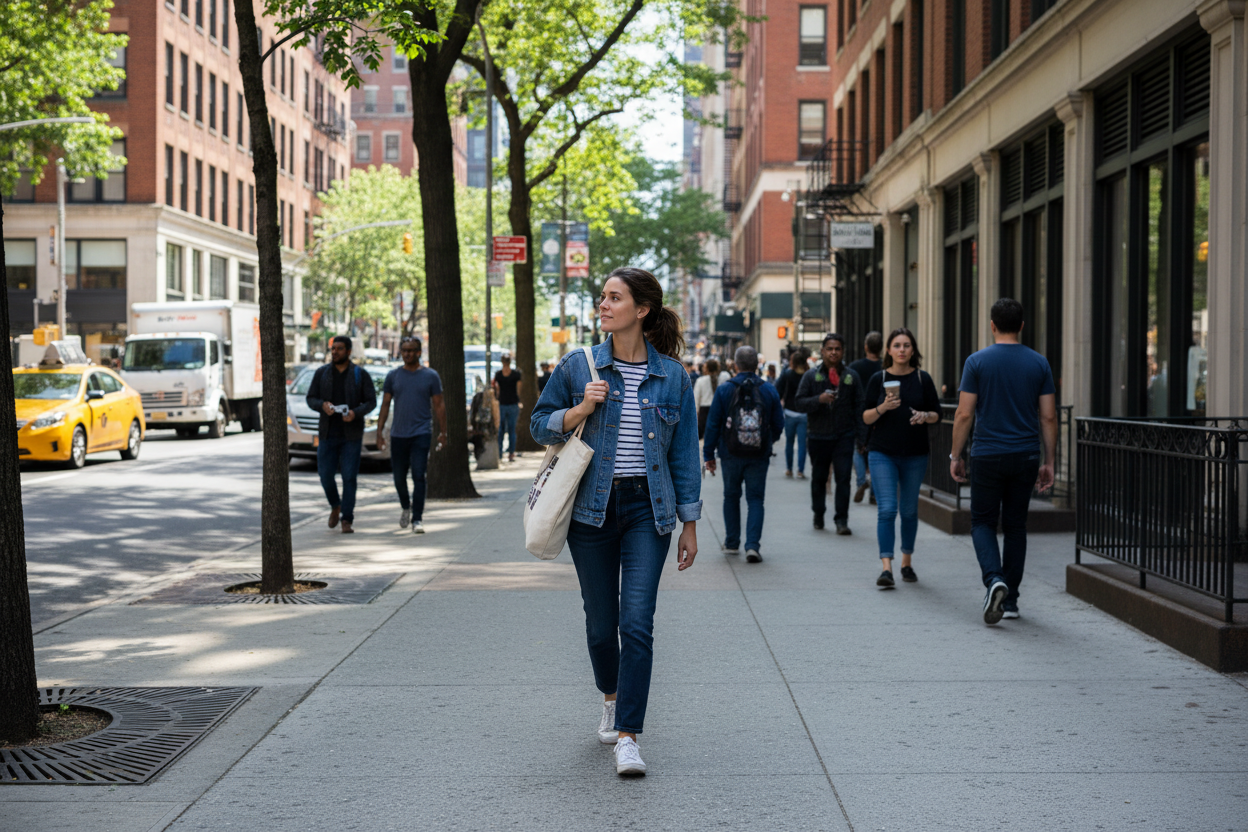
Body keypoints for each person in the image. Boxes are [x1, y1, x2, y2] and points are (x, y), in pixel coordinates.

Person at [530, 266, 701, 777]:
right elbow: (539, 425)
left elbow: (685, 456)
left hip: (650, 510)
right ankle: (611, 695)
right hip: (591, 511)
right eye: (601, 297)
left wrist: (689, 523)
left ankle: (629, 734)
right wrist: (580, 407)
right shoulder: (578, 366)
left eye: (614, 297)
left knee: (637, 624)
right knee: (603, 628)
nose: (602, 305)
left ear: (641, 310)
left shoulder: (672, 376)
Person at [951, 298, 1058, 624]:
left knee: (982, 522)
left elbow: (965, 413)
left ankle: (993, 579)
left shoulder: (976, 362)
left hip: (987, 454)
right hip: (1025, 455)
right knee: (1015, 525)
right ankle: (1009, 600)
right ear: (1022, 326)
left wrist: (956, 455)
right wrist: (1049, 460)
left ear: (992, 325)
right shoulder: (1039, 363)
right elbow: (1049, 417)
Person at [862, 328, 941, 588]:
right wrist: (883, 407)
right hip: (882, 452)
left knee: (908, 511)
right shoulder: (878, 378)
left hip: (915, 454)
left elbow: (936, 414)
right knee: (887, 509)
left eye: (907, 345)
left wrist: (924, 416)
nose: (902, 350)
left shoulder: (922, 378)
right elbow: (865, 417)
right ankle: (887, 567)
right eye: (897, 345)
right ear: (888, 350)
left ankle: (906, 562)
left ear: (913, 350)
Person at [703, 345, 784, 563]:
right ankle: (752, 546)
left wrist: (709, 454)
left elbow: (713, 424)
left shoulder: (724, 389)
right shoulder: (768, 390)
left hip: (730, 452)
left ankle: (731, 543)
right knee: (756, 499)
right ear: (757, 365)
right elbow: (778, 423)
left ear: (735, 365)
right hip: (759, 454)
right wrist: (767, 441)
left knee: (731, 496)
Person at [305, 335, 377, 534]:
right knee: (325, 475)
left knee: (349, 477)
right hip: (327, 433)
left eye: (339, 349)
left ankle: (347, 518)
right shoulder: (322, 373)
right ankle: (335, 505)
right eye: (332, 349)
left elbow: (371, 401)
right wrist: (322, 406)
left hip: (351, 435)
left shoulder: (359, 374)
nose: (334, 352)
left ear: (348, 351)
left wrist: (355, 413)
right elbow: (310, 398)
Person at [795, 334, 866, 534]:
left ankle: (841, 520)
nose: (833, 352)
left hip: (844, 435)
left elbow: (860, 406)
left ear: (842, 352)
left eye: (837, 349)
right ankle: (818, 513)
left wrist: (862, 437)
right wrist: (819, 399)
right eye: (830, 348)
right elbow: (799, 402)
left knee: (843, 478)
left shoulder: (851, 376)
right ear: (823, 351)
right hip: (818, 436)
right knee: (819, 477)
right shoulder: (811, 376)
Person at [376, 337, 446, 535]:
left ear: (419, 352)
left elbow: (439, 405)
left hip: (421, 433)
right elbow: (385, 404)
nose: (407, 353)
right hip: (398, 434)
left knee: (418, 475)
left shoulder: (431, 376)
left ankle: (417, 518)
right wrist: (380, 432)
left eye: (411, 350)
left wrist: (443, 432)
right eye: (404, 350)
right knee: (398, 477)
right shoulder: (393, 376)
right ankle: (406, 506)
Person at [848, 331, 884, 504]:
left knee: (858, 449)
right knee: (875, 451)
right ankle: (875, 494)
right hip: (880, 412)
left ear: (866, 347)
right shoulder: (885, 367)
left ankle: (862, 481)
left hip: (860, 412)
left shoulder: (855, 367)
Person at [776, 351, 809, 479]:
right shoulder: (808, 374)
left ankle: (789, 469)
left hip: (789, 412)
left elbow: (778, 390)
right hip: (804, 413)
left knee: (789, 442)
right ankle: (800, 470)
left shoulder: (787, 374)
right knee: (802, 444)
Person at [492, 352, 522, 462]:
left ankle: (499, 453)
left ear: (502, 362)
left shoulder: (498, 374)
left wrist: (497, 399)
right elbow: (518, 389)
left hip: (502, 404)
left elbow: (497, 390)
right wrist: (519, 400)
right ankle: (511, 454)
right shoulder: (516, 374)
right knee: (511, 430)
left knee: (501, 429)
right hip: (513, 403)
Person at [692, 358, 728, 439]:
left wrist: (695, 414)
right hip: (719, 408)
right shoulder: (723, 378)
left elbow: (696, 399)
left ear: (706, 369)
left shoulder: (700, 381)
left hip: (704, 410)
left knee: (706, 436)